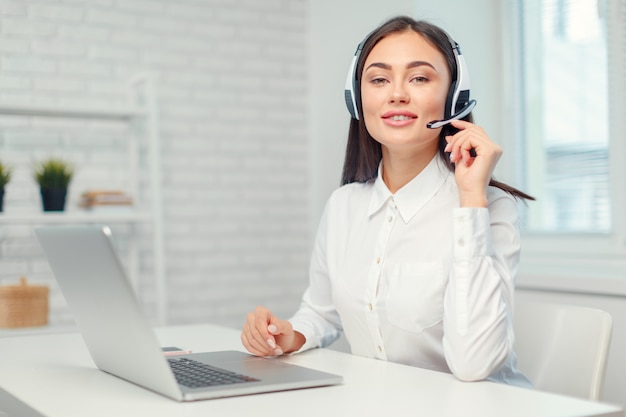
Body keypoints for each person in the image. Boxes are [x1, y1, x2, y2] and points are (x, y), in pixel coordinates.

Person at [241, 15, 534, 387]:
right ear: (357, 98)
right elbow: (321, 312)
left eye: (420, 78)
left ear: (454, 97)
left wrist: (471, 199)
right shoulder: (344, 205)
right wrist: (289, 336)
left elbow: (474, 364)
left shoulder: (490, 207)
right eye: (379, 79)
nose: (397, 93)